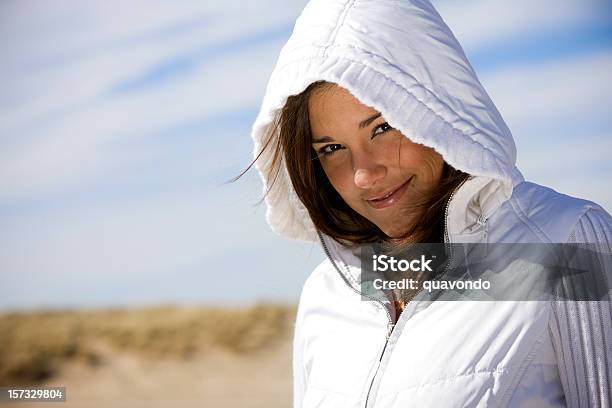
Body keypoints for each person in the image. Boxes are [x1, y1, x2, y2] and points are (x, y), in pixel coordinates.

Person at [244, 0, 612, 406]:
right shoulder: (327, 293)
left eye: (383, 127)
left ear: (439, 110)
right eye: (332, 147)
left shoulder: (569, 243)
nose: (364, 173)